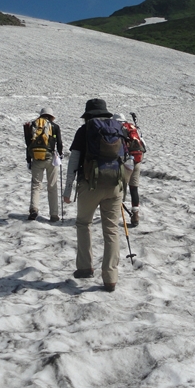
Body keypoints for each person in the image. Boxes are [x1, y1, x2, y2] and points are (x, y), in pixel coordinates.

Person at [63, 98, 126, 292]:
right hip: (115, 185)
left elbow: (74, 160)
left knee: (84, 224)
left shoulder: (84, 131)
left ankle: (85, 267)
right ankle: (110, 278)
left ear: (88, 115)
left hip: (90, 185)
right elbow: (126, 158)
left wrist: (68, 189)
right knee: (111, 230)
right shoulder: (118, 129)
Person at [24, 107, 63, 222]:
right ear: (51, 116)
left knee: (36, 185)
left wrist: (28, 160)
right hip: (51, 158)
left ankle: (34, 209)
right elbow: (59, 143)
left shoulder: (33, 125)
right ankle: (54, 215)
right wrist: (60, 155)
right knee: (52, 186)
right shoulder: (55, 127)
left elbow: (28, 144)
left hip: (36, 159)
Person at [115, 113, 146, 227]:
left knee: (120, 187)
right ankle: (135, 215)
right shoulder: (133, 128)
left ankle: (116, 212)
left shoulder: (118, 128)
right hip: (137, 159)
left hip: (126, 161)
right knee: (134, 188)